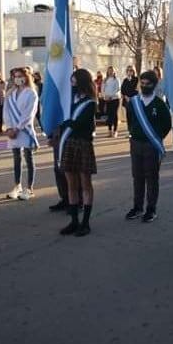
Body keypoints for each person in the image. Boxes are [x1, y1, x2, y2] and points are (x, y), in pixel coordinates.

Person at [125, 70, 172, 222]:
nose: (144, 86)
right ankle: (137, 207)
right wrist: (135, 133)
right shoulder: (133, 102)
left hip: (152, 145)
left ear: (154, 85)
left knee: (151, 177)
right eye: (142, 83)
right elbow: (130, 120)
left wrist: (156, 138)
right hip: (136, 144)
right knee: (137, 176)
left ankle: (151, 209)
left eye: (148, 84)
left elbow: (167, 125)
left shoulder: (159, 104)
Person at [58, 69, 97, 237]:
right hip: (69, 144)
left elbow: (79, 124)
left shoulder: (90, 102)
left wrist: (66, 122)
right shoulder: (69, 100)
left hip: (82, 144)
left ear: (81, 83)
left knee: (85, 184)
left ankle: (85, 223)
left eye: (74, 82)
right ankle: (74, 221)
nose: (71, 85)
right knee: (71, 184)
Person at [4, 67, 39, 201]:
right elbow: (6, 111)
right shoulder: (10, 93)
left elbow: (29, 113)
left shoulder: (31, 93)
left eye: (20, 76)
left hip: (24, 129)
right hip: (12, 130)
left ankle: (29, 188)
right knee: (16, 158)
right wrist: (9, 128)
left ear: (27, 77)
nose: (17, 78)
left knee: (28, 157)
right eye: (15, 76)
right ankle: (17, 185)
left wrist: (17, 128)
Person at [102, 66, 121, 138]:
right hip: (107, 99)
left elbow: (118, 89)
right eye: (109, 70)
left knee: (114, 114)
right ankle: (109, 130)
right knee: (109, 115)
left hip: (115, 99)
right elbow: (102, 89)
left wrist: (111, 96)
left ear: (114, 71)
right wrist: (105, 96)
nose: (110, 72)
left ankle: (115, 131)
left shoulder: (116, 79)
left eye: (111, 70)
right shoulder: (105, 79)